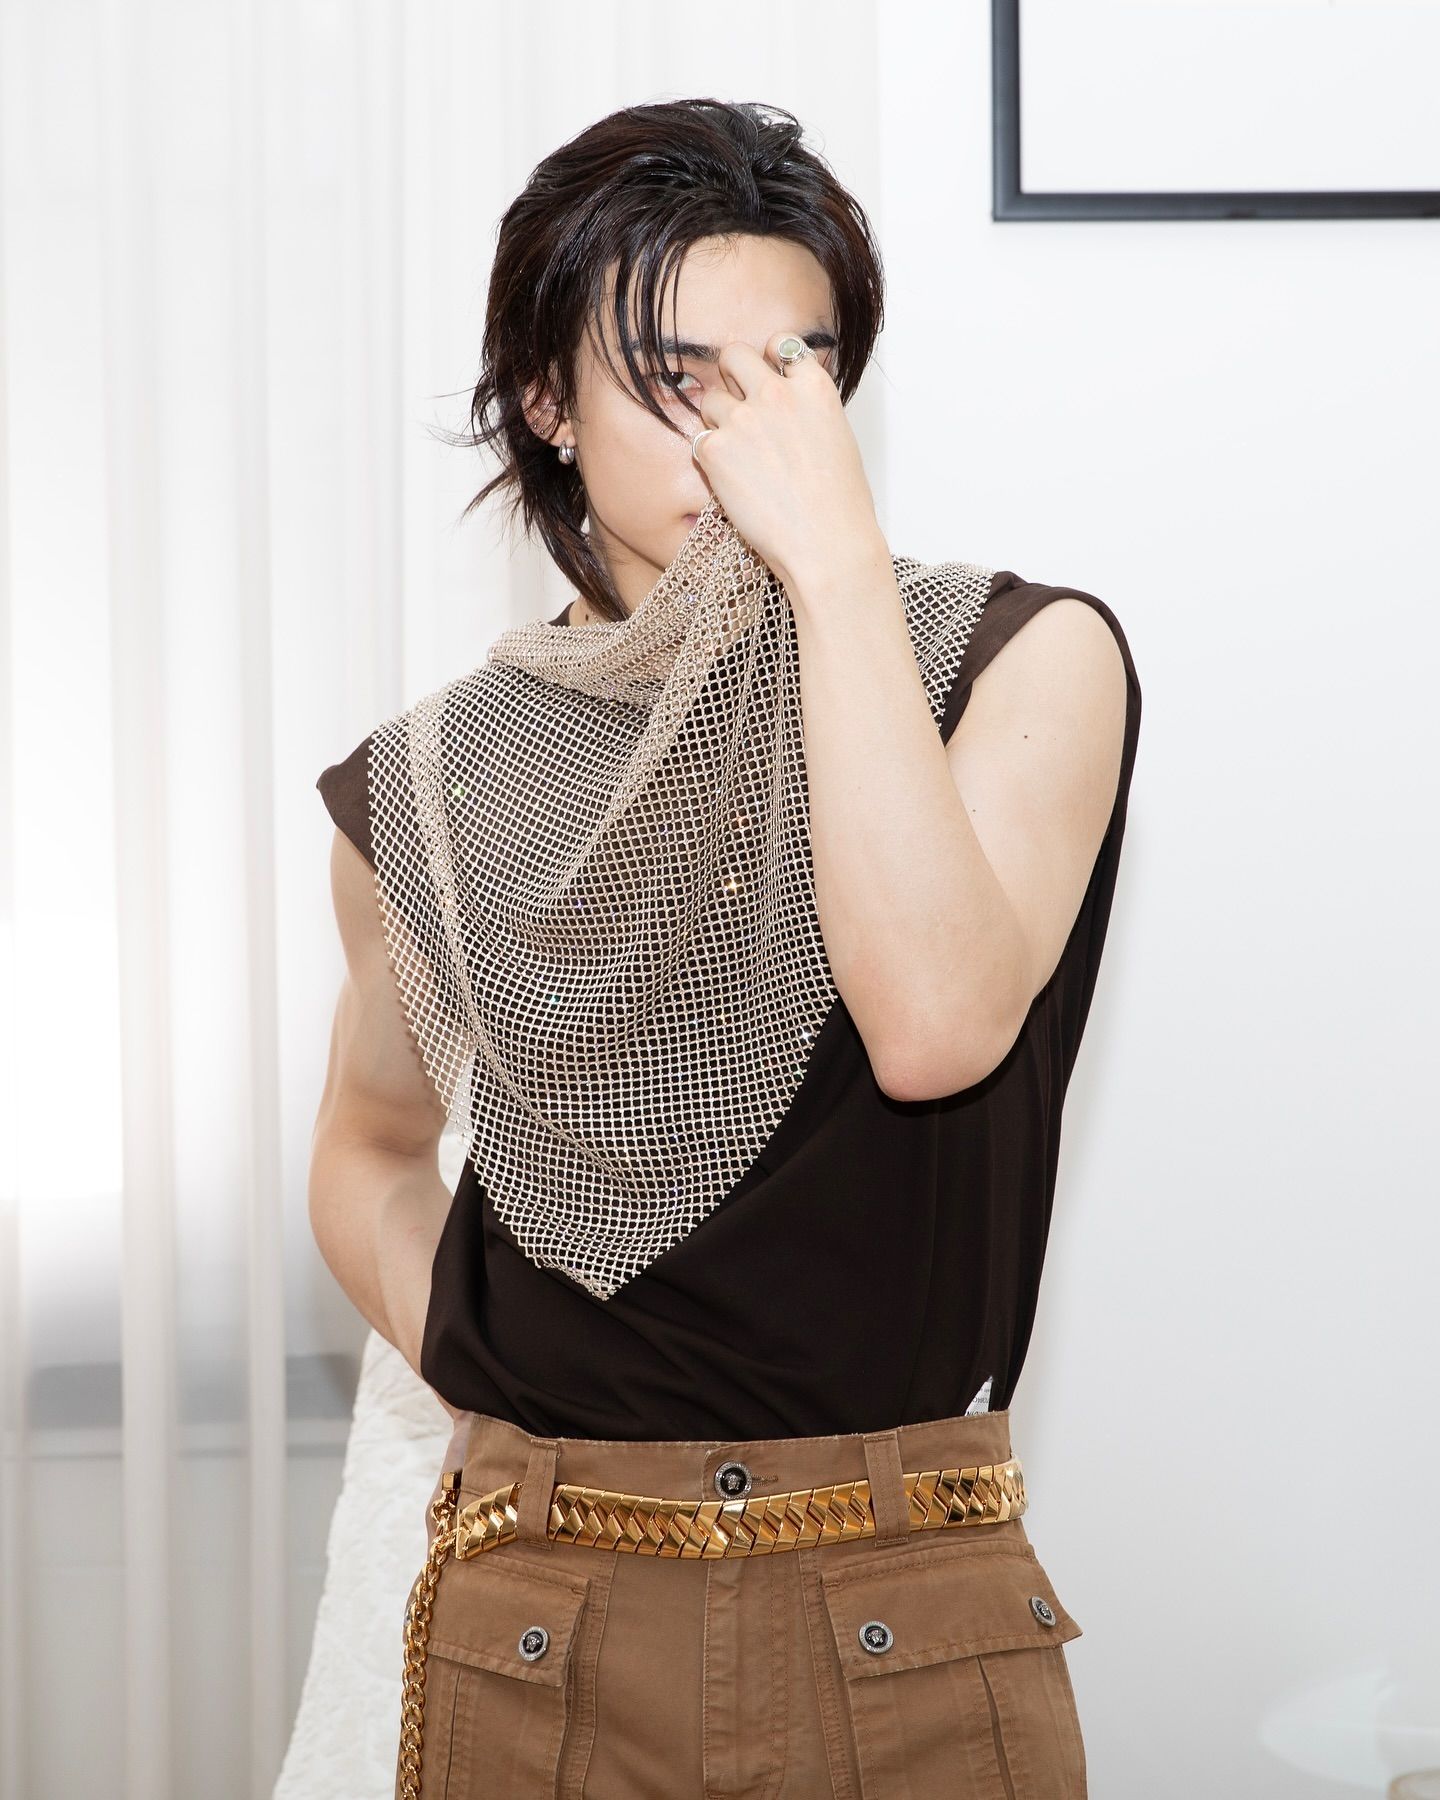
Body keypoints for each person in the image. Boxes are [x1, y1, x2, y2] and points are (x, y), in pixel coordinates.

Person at [311, 96, 1140, 1800]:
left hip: (900, 1607)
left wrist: (835, 574)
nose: (749, 433)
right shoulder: (438, 780)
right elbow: (369, 1145)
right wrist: (490, 1368)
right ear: (546, 402)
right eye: (677, 379)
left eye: (796, 371)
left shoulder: (1017, 659)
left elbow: (933, 1023)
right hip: (538, 1609)